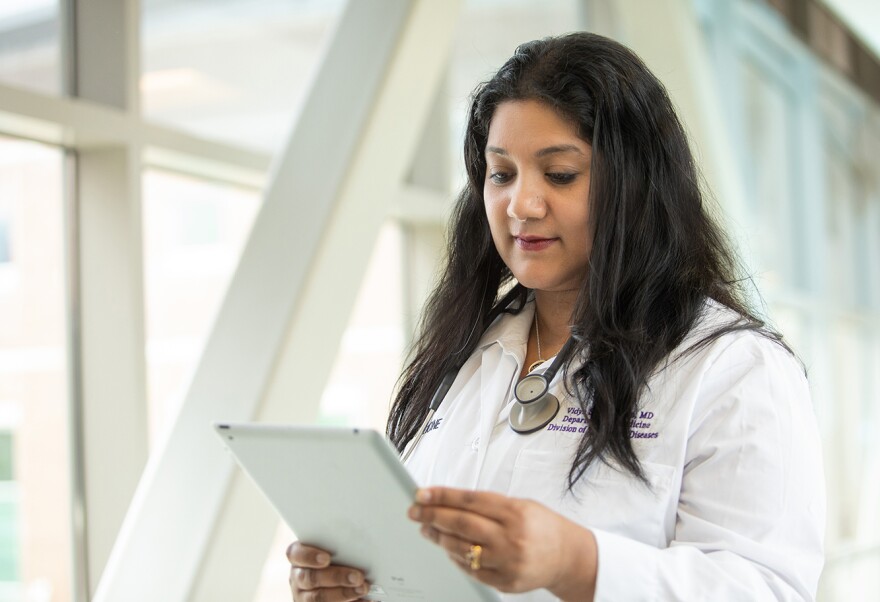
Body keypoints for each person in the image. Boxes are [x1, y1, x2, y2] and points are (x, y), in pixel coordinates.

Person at [286, 32, 825, 601]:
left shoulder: (733, 367)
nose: (521, 204)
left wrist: (577, 562)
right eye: (502, 174)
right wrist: (357, 583)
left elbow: (767, 589)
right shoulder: (467, 353)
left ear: (636, 186)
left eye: (560, 174)